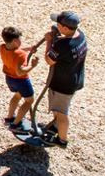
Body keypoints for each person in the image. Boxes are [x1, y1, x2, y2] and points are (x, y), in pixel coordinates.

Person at [34, 11, 87, 147]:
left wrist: (49, 42)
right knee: (60, 109)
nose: (56, 25)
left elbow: (49, 60)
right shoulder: (80, 36)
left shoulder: (63, 45)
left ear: (65, 28)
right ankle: (55, 126)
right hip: (75, 79)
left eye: (58, 24)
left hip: (62, 85)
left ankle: (62, 140)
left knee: (61, 112)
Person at [0, 26, 37, 131]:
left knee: (17, 96)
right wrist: (33, 65)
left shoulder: (2, 47)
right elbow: (20, 72)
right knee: (29, 101)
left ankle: (10, 118)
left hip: (9, 79)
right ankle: (16, 125)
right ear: (15, 41)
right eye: (20, 39)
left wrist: (29, 49)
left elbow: (14, 51)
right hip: (21, 80)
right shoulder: (20, 55)